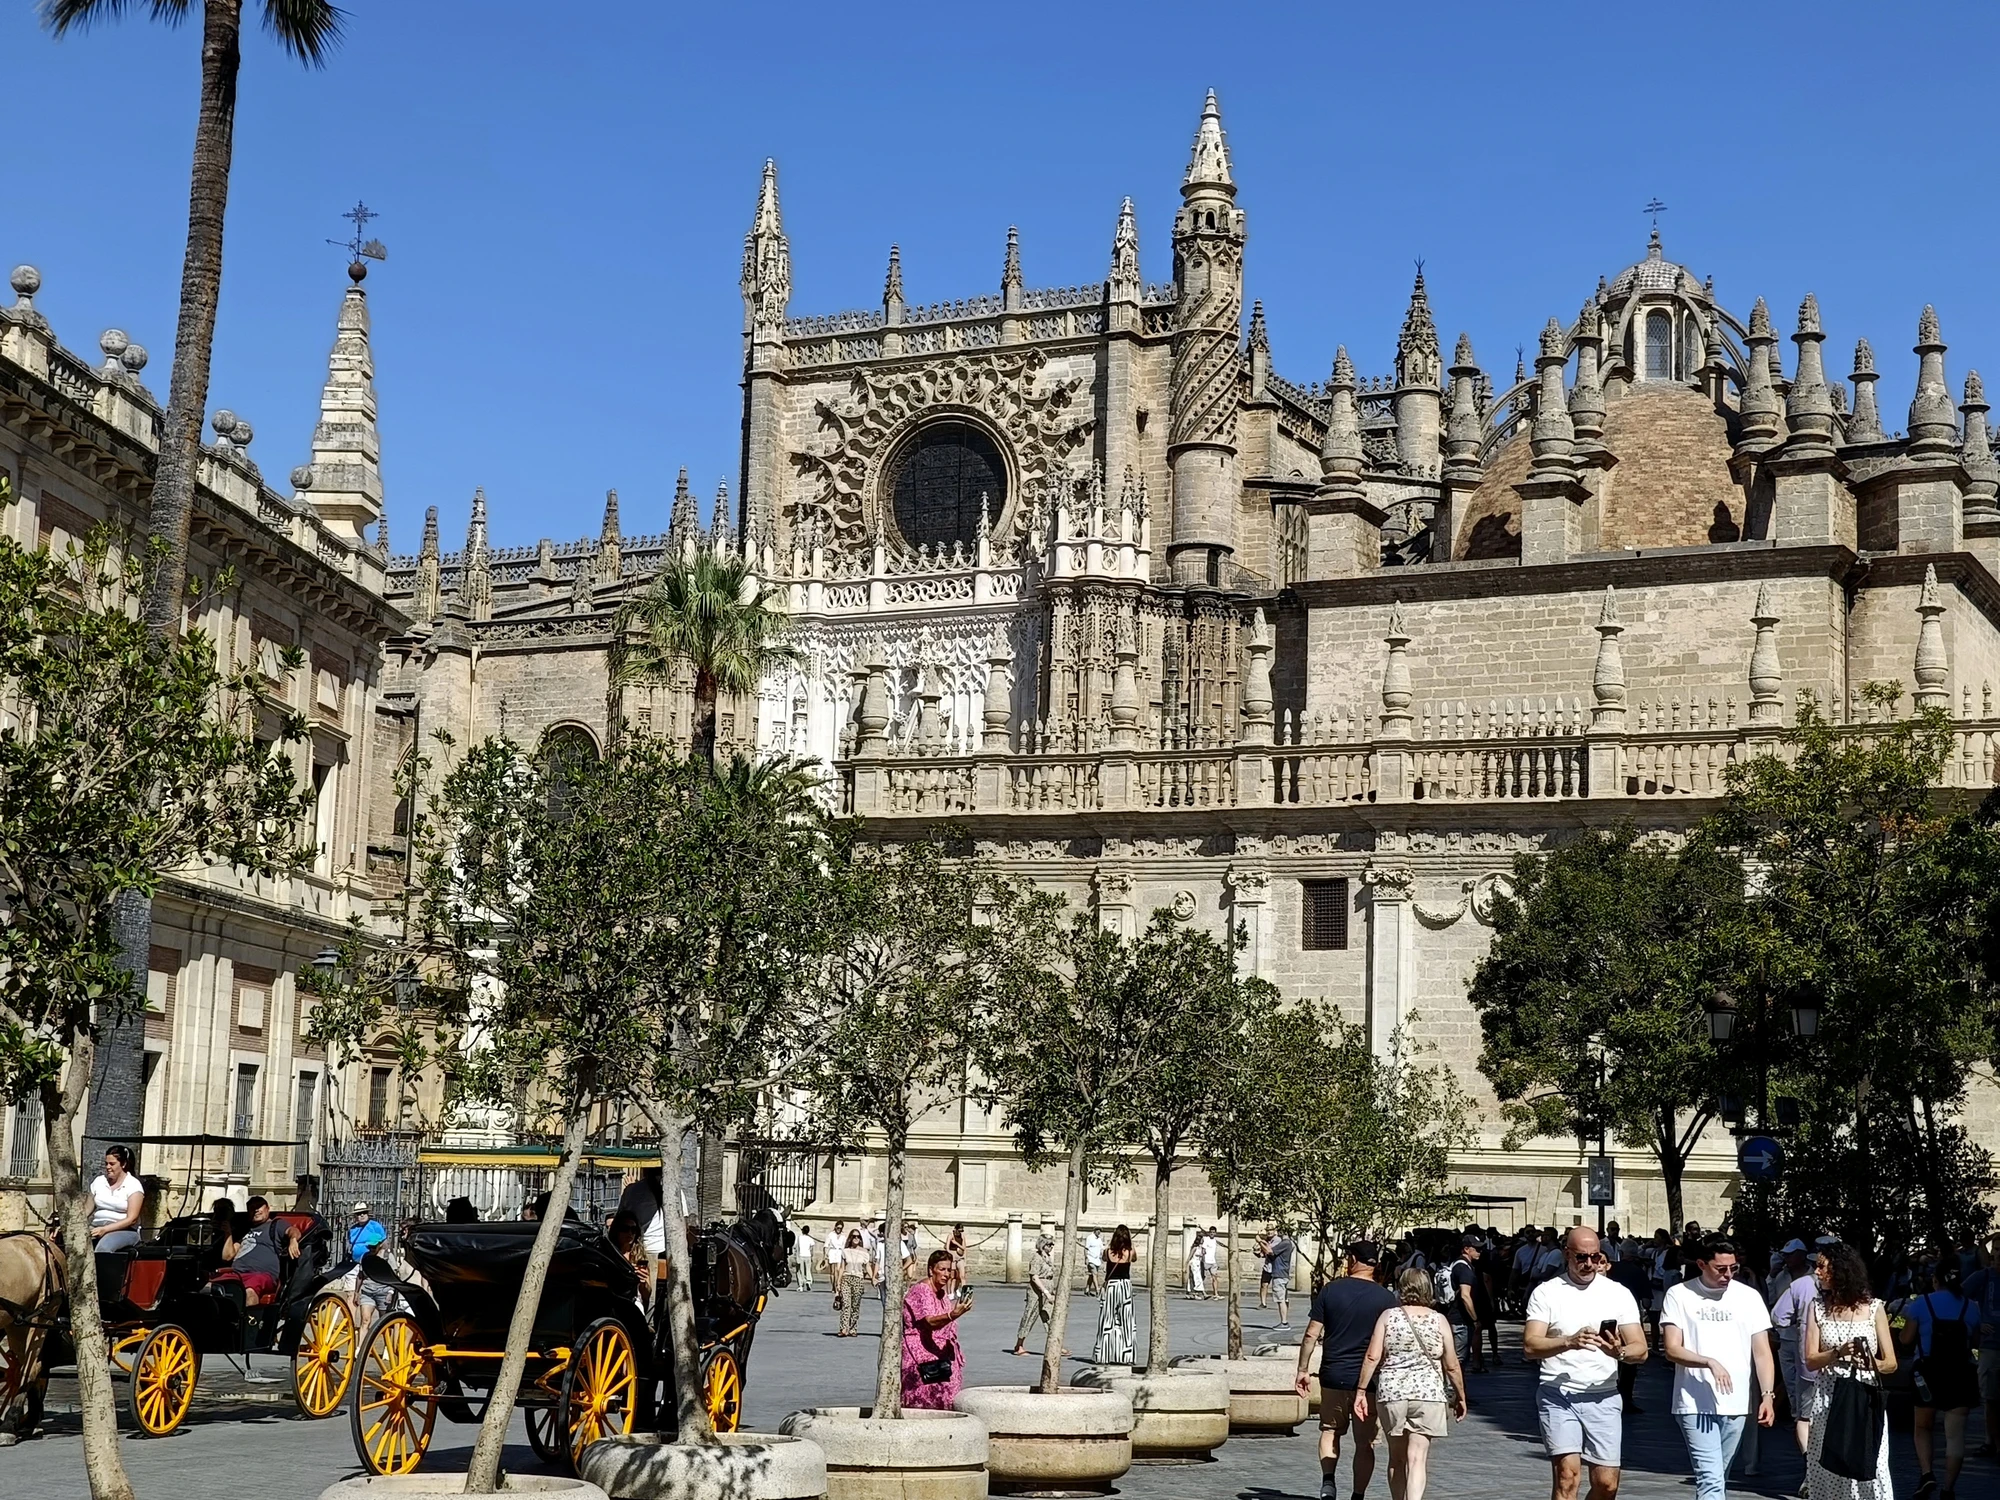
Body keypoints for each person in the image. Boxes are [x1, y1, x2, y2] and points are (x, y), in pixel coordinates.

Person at [1523, 1227, 1647, 1500]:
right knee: (1568, 1477)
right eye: (1581, 1257)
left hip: (1603, 1396)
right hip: (1558, 1394)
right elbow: (1531, 1345)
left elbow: (1640, 1349)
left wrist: (1619, 1353)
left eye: (1594, 1257)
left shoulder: (1618, 1293)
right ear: (1567, 1254)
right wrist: (1568, 1341)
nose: (1588, 1264)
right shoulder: (1547, 1293)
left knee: (1607, 1484)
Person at [1659, 1237, 1775, 1500]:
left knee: (1717, 1477)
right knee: (1711, 1480)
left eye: (1732, 1268)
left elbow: (1762, 1351)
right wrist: (1708, 1361)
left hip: (1735, 1403)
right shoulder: (1679, 1294)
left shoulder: (1749, 1297)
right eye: (1720, 1269)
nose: (1727, 1275)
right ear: (1701, 1264)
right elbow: (1672, 1349)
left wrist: (1768, 1395)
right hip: (1694, 1401)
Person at [1353, 1267, 1467, 1500]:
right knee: (1418, 1459)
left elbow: (1373, 1356)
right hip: (1429, 1394)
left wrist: (1361, 1390)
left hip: (1392, 1393)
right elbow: (1452, 1365)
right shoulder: (1439, 1320)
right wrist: (1461, 1396)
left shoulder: (1388, 1316)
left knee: (1396, 1457)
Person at [1297, 1239, 1398, 1500]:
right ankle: (1357, 1495)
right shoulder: (1387, 1298)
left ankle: (1328, 1482)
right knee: (1364, 1443)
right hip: (1369, 1382)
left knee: (1330, 1430)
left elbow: (1311, 1335)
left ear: (1353, 1260)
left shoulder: (1331, 1290)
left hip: (1334, 1375)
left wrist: (1302, 1369)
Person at [1802, 1241, 1896, 1500]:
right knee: (1830, 1465)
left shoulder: (1874, 1308)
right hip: (1829, 1396)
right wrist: (1837, 1353)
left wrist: (1869, 1362)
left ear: (1841, 1270)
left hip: (1863, 1395)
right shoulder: (1818, 1308)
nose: (1817, 1272)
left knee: (1871, 1461)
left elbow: (1890, 1363)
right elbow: (1809, 1359)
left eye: (1822, 1267)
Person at [1899, 1256, 1981, 1500]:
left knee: (1922, 1427)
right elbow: (1974, 1342)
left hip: (1928, 1373)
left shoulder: (1921, 1303)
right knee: (1955, 1436)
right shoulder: (1971, 1307)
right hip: (1961, 1374)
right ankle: (1948, 1489)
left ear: (1935, 1280)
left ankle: (1927, 1473)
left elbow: (1905, 1339)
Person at [1769, 1240, 1822, 1460]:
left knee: (1804, 1412)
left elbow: (1778, 1316)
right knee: (1796, 1393)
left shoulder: (1803, 1284)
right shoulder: (1783, 1277)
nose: (1787, 1259)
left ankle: (1811, 1465)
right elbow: (1774, 1306)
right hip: (1793, 1344)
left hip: (1805, 1353)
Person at [902, 1249, 971, 1409]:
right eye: (942, 1269)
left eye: (949, 1270)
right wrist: (952, 1315)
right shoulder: (922, 1290)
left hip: (941, 1354)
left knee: (948, 1396)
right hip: (923, 1355)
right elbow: (929, 1322)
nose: (946, 1274)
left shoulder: (942, 1293)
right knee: (925, 1399)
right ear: (931, 1270)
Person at [213, 1195, 299, 1307]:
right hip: (236, 1273)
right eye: (252, 1208)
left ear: (268, 1208)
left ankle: (248, 1322)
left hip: (261, 1275)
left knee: (249, 1292)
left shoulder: (276, 1224)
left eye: (259, 1206)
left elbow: (293, 1230)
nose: (256, 1210)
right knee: (209, 1287)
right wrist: (228, 1233)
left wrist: (293, 1240)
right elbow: (228, 1256)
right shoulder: (245, 1230)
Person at [1961, 1232, 2000, 1460]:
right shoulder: (1984, 1276)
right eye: (1995, 1249)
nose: (1997, 1254)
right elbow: (1959, 1296)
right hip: (1992, 1345)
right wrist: (1977, 1322)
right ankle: (1991, 1441)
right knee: (1991, 1397)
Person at [344, 1200, 395, 1336]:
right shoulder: (353, 1229)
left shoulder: (376, 1226)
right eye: (358, 1214)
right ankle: (351, 1325)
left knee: (381, 1307)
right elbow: (349, 1244)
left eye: (363, 1213)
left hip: (372, 1264)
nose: (361, 1216)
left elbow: (384, 1244)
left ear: (368, 1214)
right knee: (350, 1294)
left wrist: (383, 1258)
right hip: (355, 1263)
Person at [88, 1145, 145, 1253]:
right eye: (106, 1163)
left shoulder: (133, 1185)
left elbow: (132, 1219)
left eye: (112, 1164)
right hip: (96, 1227)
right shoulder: (99, 1181)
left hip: (124, 1231)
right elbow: (86, 1209)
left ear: (123, 1164)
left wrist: (105, 1230)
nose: (108, 1167)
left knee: (104, 1247)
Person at [1094, 1225, 1136, 1364]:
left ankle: (1102, 1354)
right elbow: (1134, 1258)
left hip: (1112, 1285)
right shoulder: (1130, 1252)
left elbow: (1104, 1258)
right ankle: (1126, 1355)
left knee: (1107, 1319)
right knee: (1126, 1320)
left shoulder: (1108, 1252)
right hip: (1125, 1286)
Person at [1438, 1235, 1479, 1367]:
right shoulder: (1464, 1269)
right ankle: (1451, 1387)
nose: (1480, 1252)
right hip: (1461, 1321)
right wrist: (1475, 1319)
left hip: (1455, 1318)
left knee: (1456, 1358)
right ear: (1466, 1249)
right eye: (1477, 1249)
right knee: (1458, 1360)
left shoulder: (1458, 1264)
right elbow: (1465, 1296)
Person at [1014, 1232, 1057, 1357]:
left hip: (1047, 1289)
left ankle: (1055, 1345)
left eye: (1052, 1244)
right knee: (1029, 1317)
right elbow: (1034, 1277)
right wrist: (1046, 1292)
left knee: (1050, 1318)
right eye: (1049, 1244)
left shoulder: (1047, 1258)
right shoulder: (1036, 1258)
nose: (1051, 1247)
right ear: (1043, 1245)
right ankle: (1019, 1344)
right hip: (1037, 1292)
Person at [609, 1210, 652, 1308]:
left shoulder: (640, 1257)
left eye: (633, 1230)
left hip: (633, 1302)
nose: (630, 1233)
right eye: (625, 1229)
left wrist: (643, 1283)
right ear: (617, 1231)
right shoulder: (610, 1254)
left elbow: (647, 1295)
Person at [837, 1230, 870, 1336]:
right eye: (854, 1236)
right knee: (846, 1304)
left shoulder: (864, 1252)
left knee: (855, 1305)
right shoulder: (845, 1251)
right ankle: (843, 1328)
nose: (856, 1238)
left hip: (858, 1279)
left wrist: (873, 1277)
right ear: (850, 1238)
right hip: (846, 1278)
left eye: (858, 1236)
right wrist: (838, 1282)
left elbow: (867, 1266)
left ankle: (853, 1328)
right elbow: (842, 1268)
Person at [1271, 1225, 1297, 1330]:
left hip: (1279, 1274)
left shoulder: (1285, 1243)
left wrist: (1260, 1241)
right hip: (1283, 1274)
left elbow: (1270, 1251)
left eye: (1278, 1230)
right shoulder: (1289, 1243)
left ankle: (1284, 1322)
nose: (1277, 1232)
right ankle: (1284, 1320)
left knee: (1280, 1299)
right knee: (1284, 1299)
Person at [826, 1220, 846, 1304]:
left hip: (840, 1253)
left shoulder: (843, 1236)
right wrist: (825, 1255)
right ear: (835, 1227)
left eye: (840, 1228)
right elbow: (826, 1245)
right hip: (832, 1252)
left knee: (838, 1270)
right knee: (832, 1272)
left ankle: (837, 1285)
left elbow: (844, 1246)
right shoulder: (830, 1235)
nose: (839, 1230)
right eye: (838, 1228)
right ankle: (833, 1286)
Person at [792, 1221, 815, 1292]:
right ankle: (808, 1282)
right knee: (808, 1270)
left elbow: (795, 1247)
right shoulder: (810, 1239)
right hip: (808, 1255)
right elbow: (811, 1249)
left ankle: (801, 1285)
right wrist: (812, 1257)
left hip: (800, 1256)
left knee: (800, 1271)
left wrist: (794, 1256)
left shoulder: (799, 1238)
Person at [946, 1223, 969, 1295]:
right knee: (952, 1276)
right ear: (955, 1229)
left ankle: (963, 1292)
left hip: (960, 1256)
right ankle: (951, 1292)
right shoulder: (950, 1235)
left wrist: (956, 1243)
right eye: (959, 1230)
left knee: (962, 1276)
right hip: (953, 1256)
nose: (960, 1232)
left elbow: (964, 1248)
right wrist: (951, 1255)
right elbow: (947, 1248)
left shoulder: (962, 1236)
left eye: (961, 1231)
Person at [1186, 1227, 1207, 1298]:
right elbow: (1189, 1256)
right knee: (1197, 1278)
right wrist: (1185, 1265)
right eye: (1202, 1239)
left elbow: (1203, 1257)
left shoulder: (1201, 1248)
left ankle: (1192, 1292)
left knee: (1196, 1278)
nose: (1203, 1241)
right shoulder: (1195, 1248)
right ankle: (1203, 1293)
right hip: (1194, 1263)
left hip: (1198, 1263)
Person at [1085, 1227, 1105, 1296]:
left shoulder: (1099, 1239)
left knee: (1091, 1275)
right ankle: (1097, 1289)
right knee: (1094, 1274)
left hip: (1097, 1260)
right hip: (1091, 1259)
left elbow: (1102, 1248)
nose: (1099, 1232)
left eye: (1100, 1231)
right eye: (1097, 1230)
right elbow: (1086, 1248)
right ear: (1094, 1231)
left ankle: (1087, 1289)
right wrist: (1086, 1258)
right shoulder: (1090, 1238)